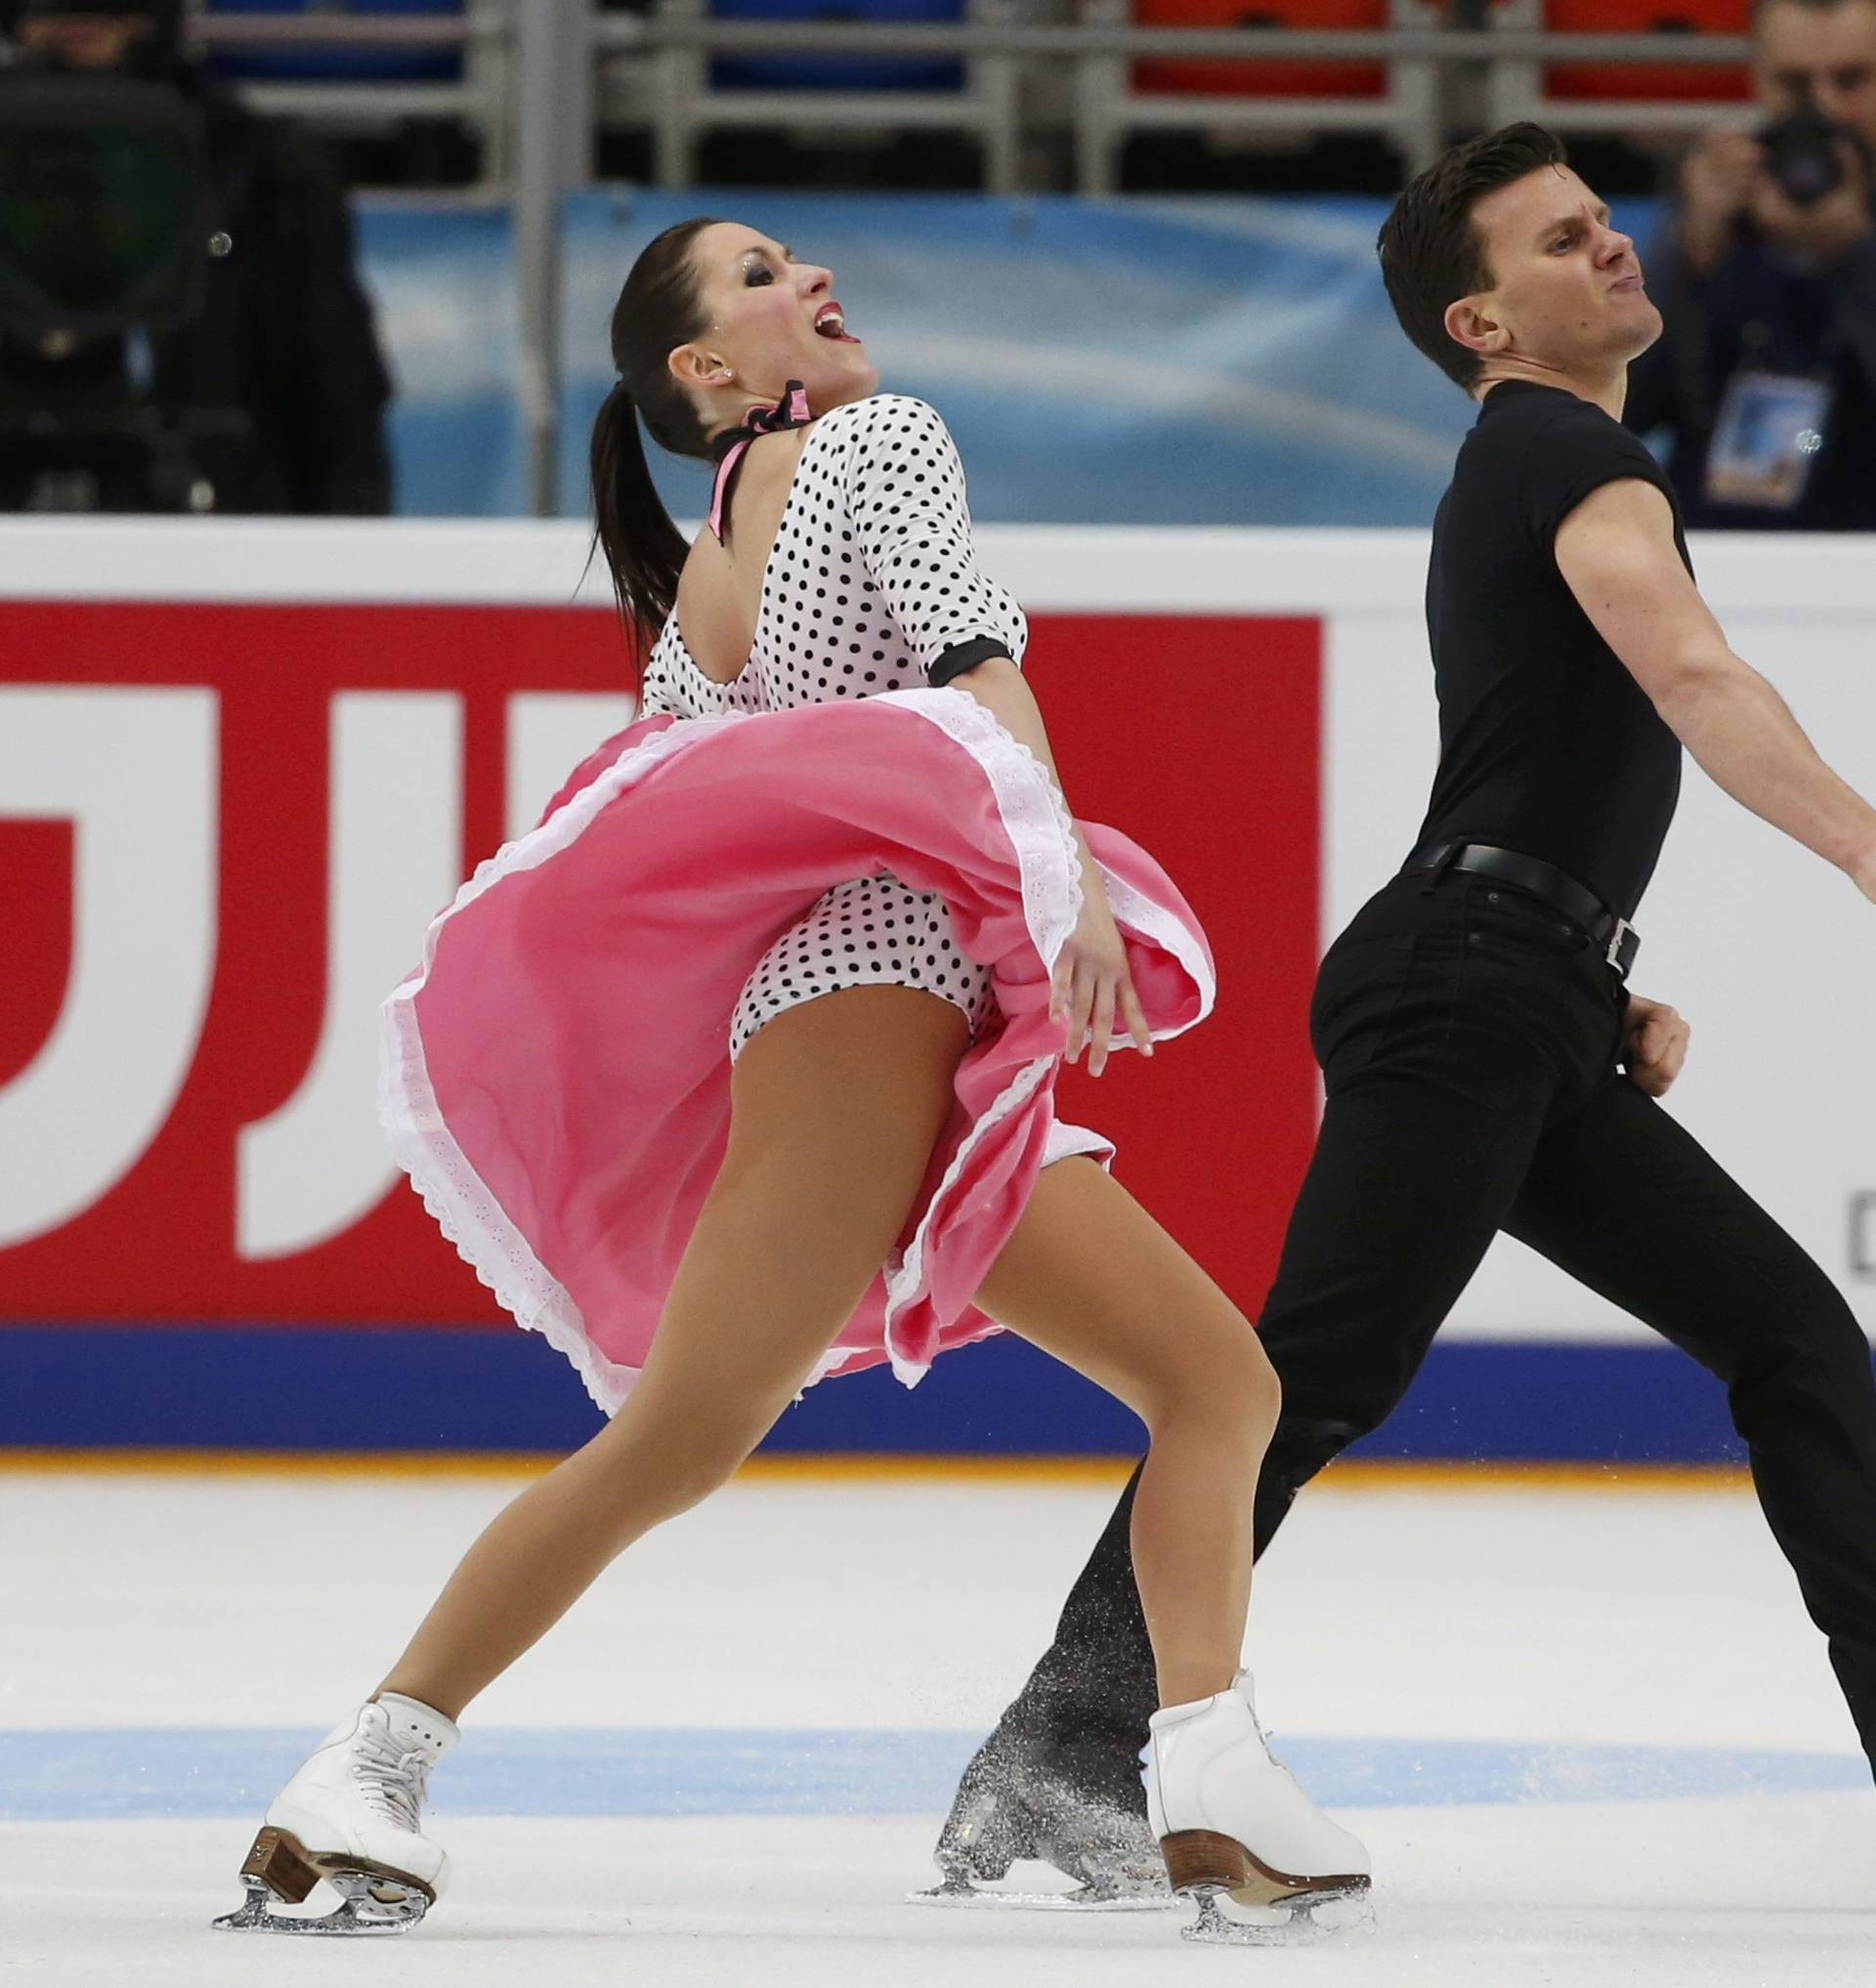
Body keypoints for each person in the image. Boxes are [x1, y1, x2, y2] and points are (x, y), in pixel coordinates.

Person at [212, 217, 1368, 1944]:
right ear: (708, 372)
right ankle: (365, 1765)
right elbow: (980, 675)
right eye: (758, 276)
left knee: (1217, 1384)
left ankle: (1207, 1775)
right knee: (682, 1433)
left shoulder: (701, 571)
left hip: (861, 1012)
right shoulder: (878, 443)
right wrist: (1061, 892)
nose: (809, 276)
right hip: (871, 998)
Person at [936, 121, 1876, 1902]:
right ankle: (1061, 1754)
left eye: (1607, 224)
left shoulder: (1545, 458)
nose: (1614, 249)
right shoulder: (1561, 452)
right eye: (1563, 241)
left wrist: (1596, 975)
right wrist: (1858, 844)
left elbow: (1533, 764)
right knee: (1296, 1380)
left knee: (1796, 1344)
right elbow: (1687, 669)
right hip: (1470, 992)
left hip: (1515, 994)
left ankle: (1059, 1753)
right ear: (1482, 324)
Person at [0, 0, 392, 513]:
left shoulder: (259, 165)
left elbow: (336, 392)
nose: (79, 14)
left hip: (221, 530)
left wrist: (346, 561)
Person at [1625, 0, 1876, 528]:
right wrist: (1691, 252)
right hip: (1726, 561)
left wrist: (1854, 252)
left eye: (1852, 80)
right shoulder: (1719, 207)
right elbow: (1621, 411)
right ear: (1757, 76)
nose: (1825, 110)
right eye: (1796, 85)